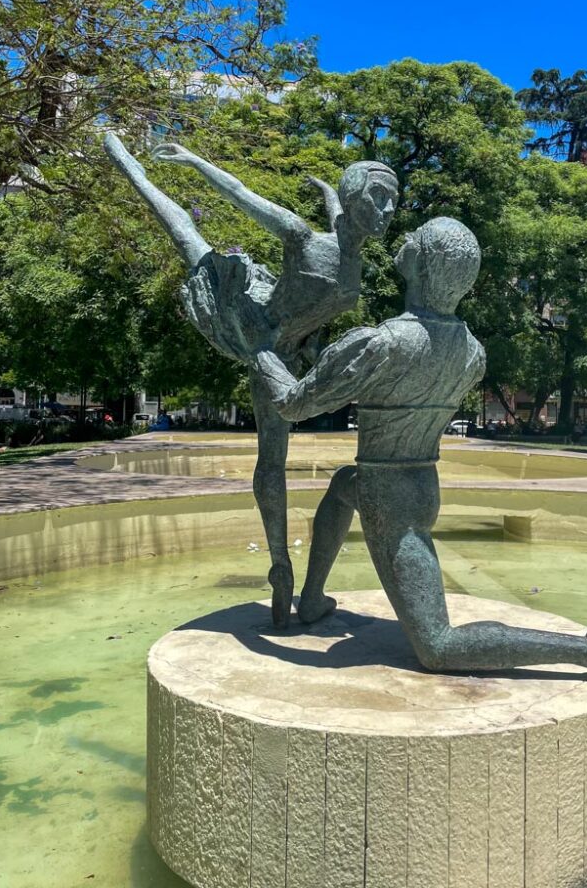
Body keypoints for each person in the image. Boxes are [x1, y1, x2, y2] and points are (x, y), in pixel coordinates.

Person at [256, 217, 587, 680]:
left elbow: (294, 405)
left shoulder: (382, 343)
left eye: (415, 239)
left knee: (437, 646)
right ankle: (312, 600)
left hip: (387, 498)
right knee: (341, 485)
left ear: (421, 264)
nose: (405, 240)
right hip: (419, 483)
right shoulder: (472, 351)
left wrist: (262, 351)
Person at [104, 133, 397, 627]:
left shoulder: (352, 257)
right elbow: (241, 195)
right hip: (254, 324)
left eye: (394, 201)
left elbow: (338, 231)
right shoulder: (303, 239)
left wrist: (329, 192)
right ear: (355, 200)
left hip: (284, 352)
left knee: (273, 455)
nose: (389, 210)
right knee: (186, 235)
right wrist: (196, 160)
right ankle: (126, 160)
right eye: (379, 198)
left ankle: (282, 566)